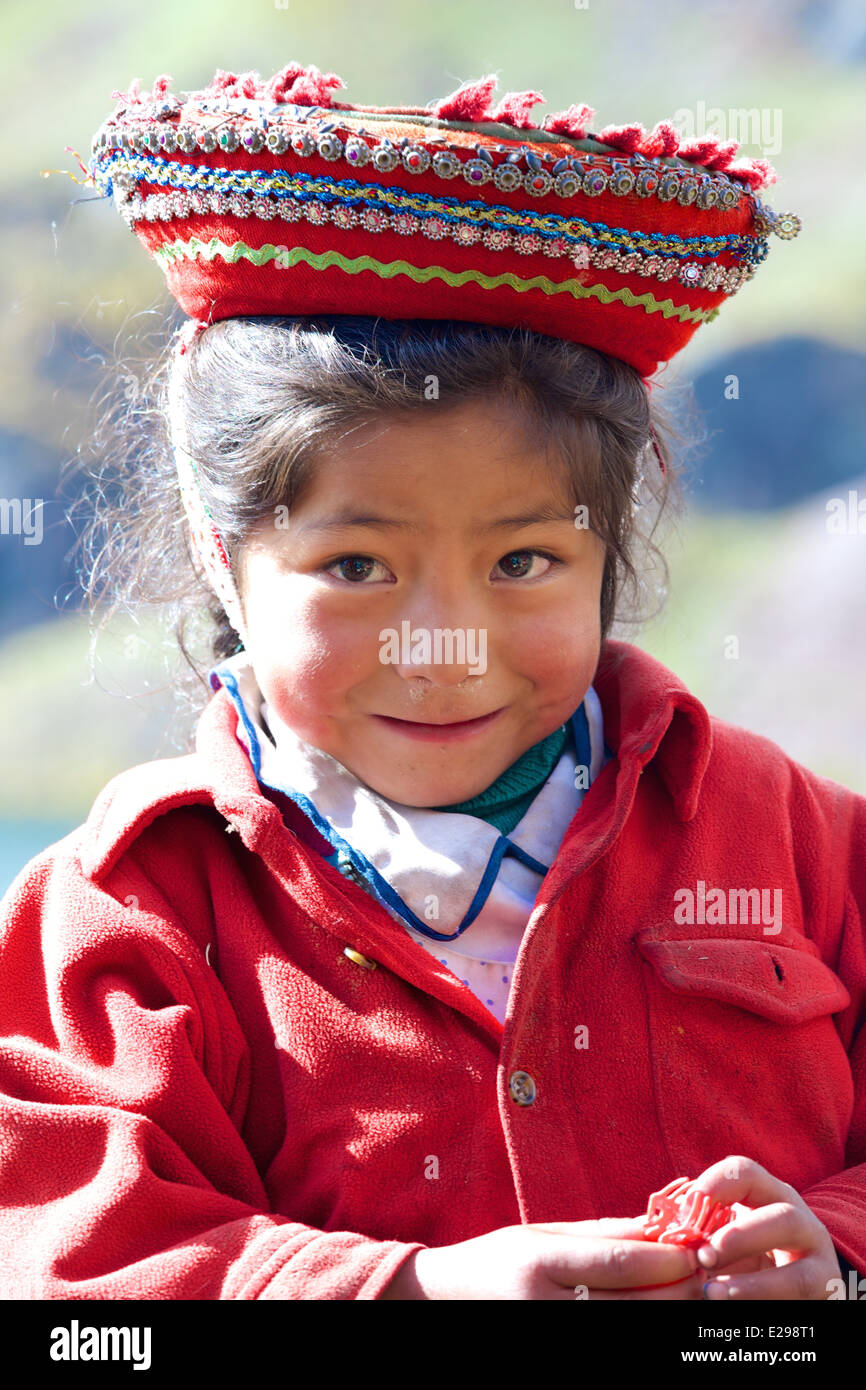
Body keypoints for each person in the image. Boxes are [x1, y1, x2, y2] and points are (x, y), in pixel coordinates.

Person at [1, 59, 861, 1302]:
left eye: (523, 559)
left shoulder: (797, 844)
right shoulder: (121, 924)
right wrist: (410, 1292)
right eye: (356, 564)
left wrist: (831, 1254)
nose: (444, 644)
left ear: (608, 551)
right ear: (221, 554)